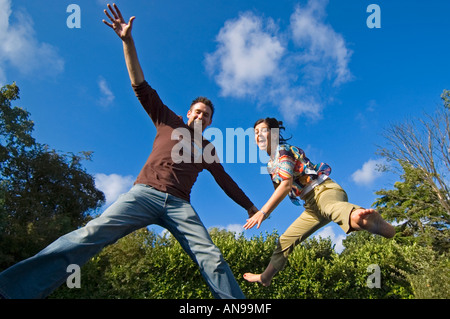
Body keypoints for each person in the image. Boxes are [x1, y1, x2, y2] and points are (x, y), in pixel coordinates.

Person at [0, 4, 257, 299]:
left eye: (207, 116)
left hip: (179, 205)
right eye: (197, 112)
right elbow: (140, 85)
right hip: (143, 194)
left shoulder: (208, 148)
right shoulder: (167, 120)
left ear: (210, 123)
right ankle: (11, 290)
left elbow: (226, 181)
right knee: (90, 235)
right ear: (189, 114)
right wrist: (127, 41)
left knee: (211, 257)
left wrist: (249, 207)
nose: (201, 117)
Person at [242, 117, 395, 287]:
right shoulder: (271, 165)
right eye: (255, 133)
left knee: (331, 208)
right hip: (311, 206)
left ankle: (361, 219)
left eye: (263, 130)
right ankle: (265, 277)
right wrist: (255, 209)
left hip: (323, 191)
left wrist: (263, 212)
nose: (258, 135)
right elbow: (281, 191)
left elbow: (285, 186)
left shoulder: (283, 151)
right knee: (285, 240)